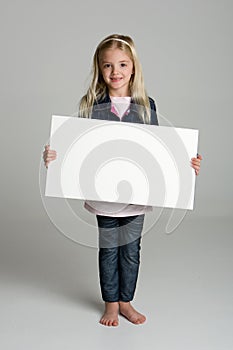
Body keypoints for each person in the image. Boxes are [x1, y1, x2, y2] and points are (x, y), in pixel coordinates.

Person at [43, 34, 202, 327]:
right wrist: (55, 157)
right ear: (99, 69)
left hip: (136, 196)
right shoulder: (91, 103)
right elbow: (80, 146)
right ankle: (111, 304)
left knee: (130, 251)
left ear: (133, 68)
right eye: (107, 66)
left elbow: (160, 148)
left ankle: (126, 301)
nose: (115, 72)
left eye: (122, 64)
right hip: (103, 194)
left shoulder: (146, 105)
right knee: (108, 250)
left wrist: (186, 163)